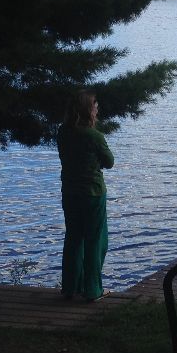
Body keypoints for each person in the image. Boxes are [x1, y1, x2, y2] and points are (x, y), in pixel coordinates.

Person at [57, 89, 114, 301]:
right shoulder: (94, 136)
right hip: (93, 194)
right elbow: (109, 162)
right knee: (95, 241)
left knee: (73, 239)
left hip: (70, 193)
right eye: (95, 105)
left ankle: (70, 288)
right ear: (87, 110)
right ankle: (92, 290)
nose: (97, 108)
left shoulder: (63, 132)